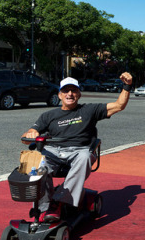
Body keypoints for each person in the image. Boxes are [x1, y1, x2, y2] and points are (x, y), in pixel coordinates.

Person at [21, 73, 133, 222]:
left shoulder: (88, 110)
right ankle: (44, 208)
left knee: (85, 156)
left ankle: (58, 202)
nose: (70, 94)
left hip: (79, 151)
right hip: (54, 152)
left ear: (79, 94)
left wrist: (126, 86)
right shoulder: (48, 115)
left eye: (73, 90)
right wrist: (31, 133)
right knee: (38, 165)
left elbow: (119, 106)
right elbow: (28, 136)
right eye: (66, 91)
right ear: (60, 95)